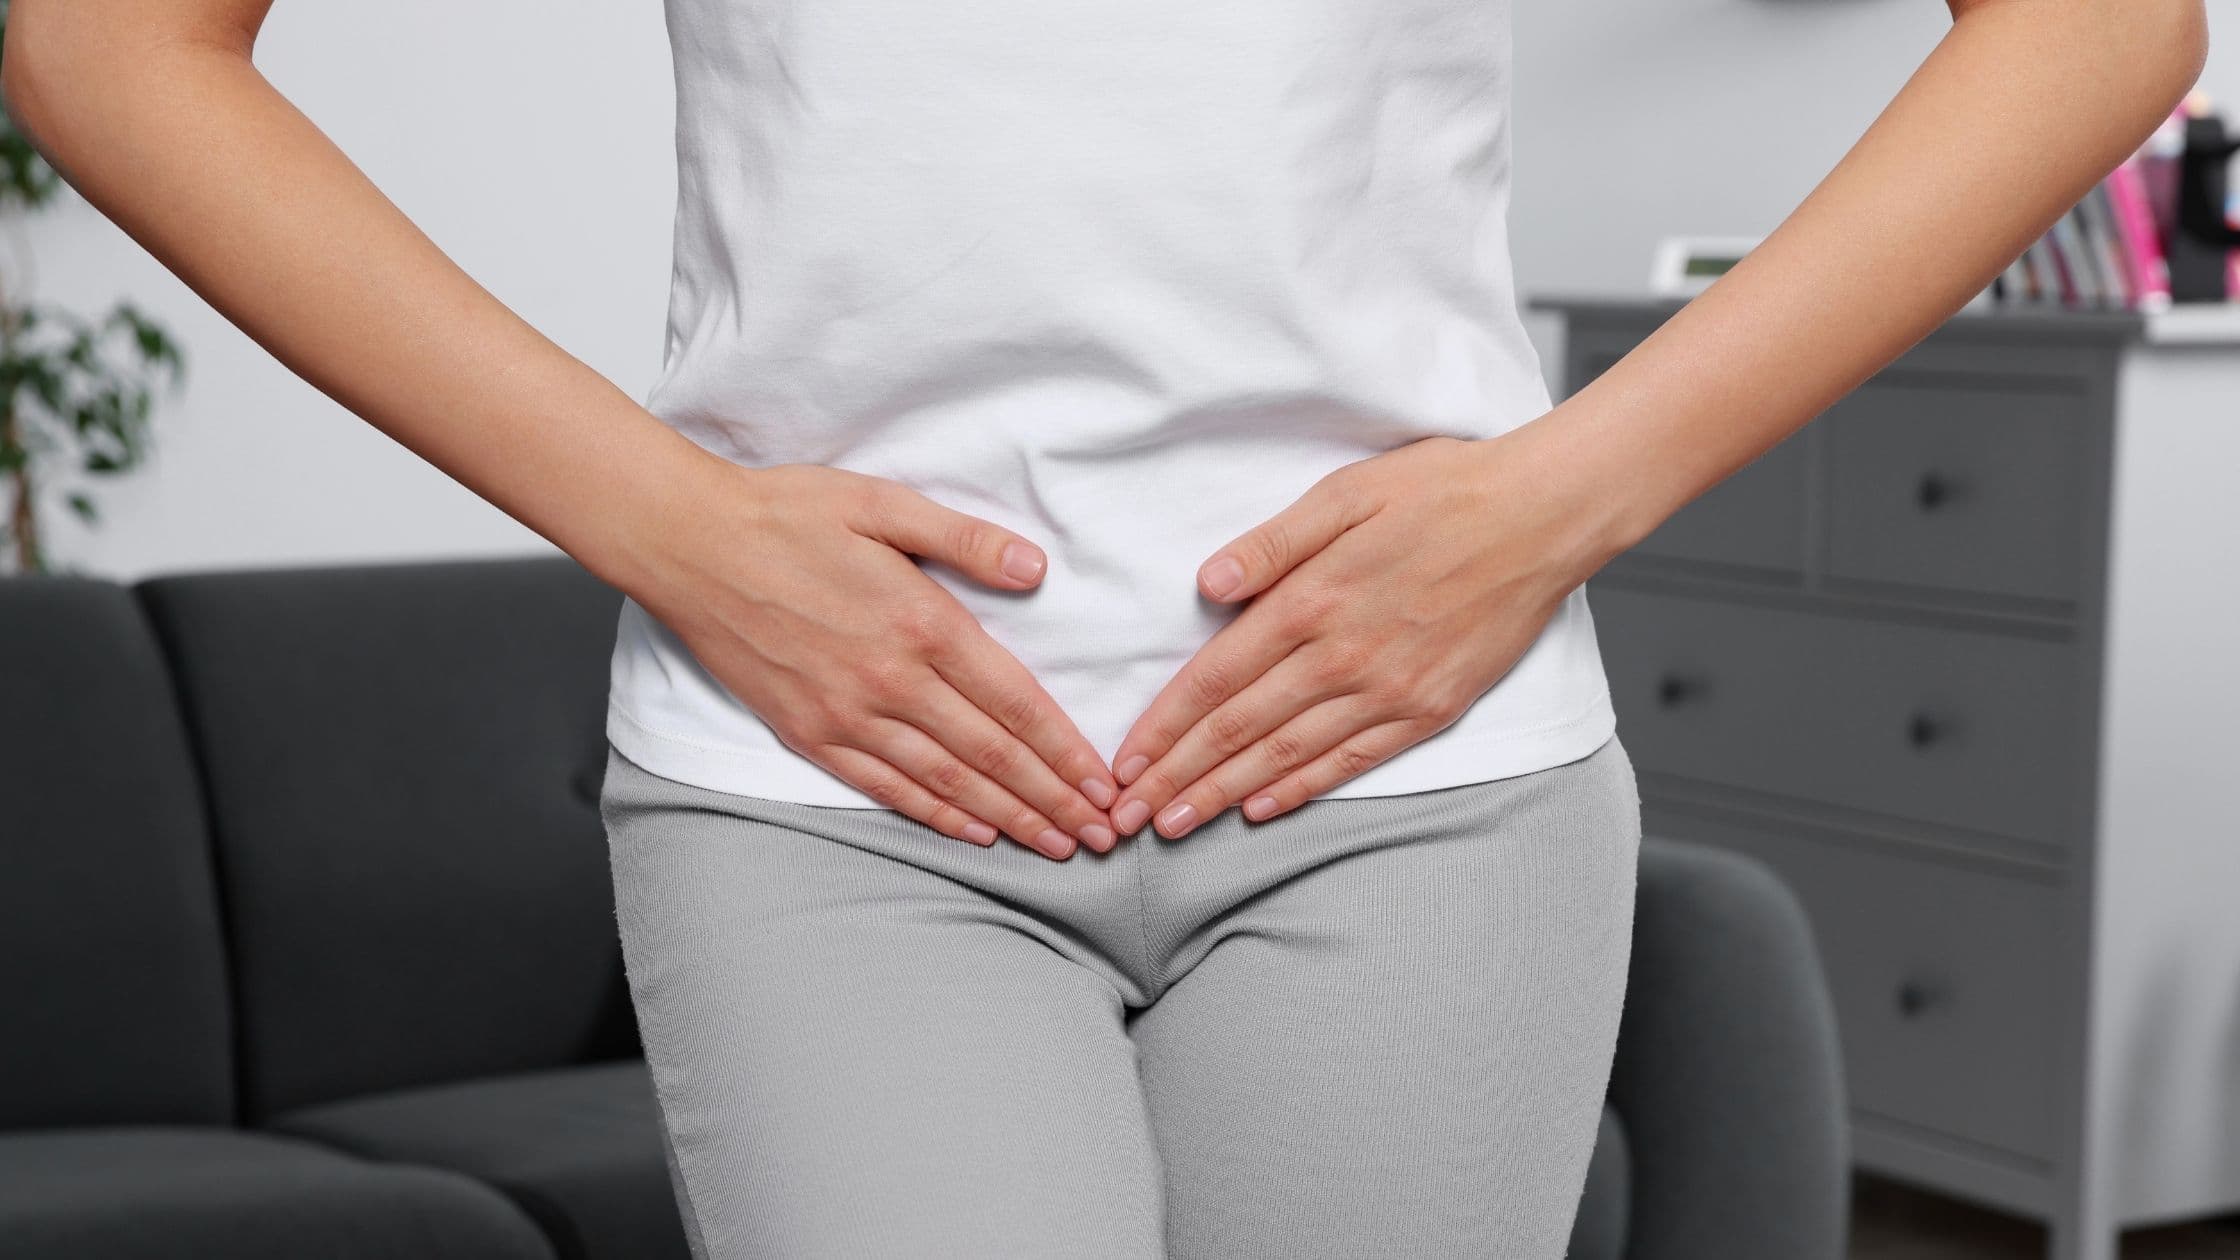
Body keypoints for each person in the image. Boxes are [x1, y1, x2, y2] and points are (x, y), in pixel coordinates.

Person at [5, 0, 2204, 1254]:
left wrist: (1570, 492)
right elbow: (106, 40)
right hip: (834, 789)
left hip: (1415, 778)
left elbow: (2101, 25)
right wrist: (662, 521)